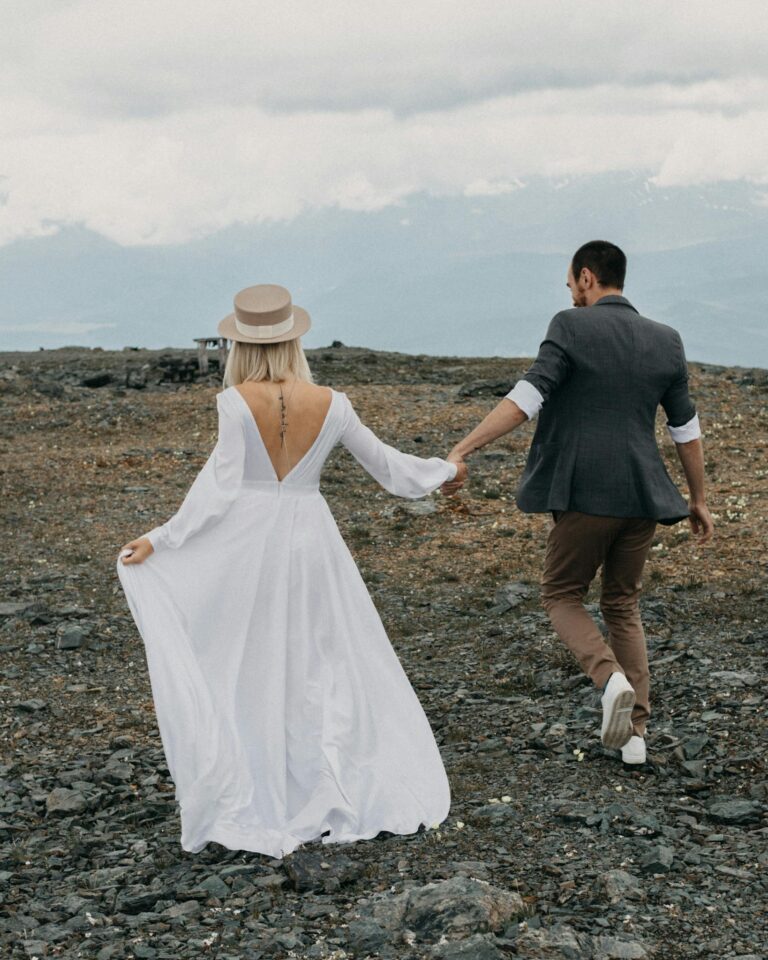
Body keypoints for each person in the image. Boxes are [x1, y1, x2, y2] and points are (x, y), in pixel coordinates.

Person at [116, 283, 462, 859]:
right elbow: (390, 470)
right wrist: (446, 471)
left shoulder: (234, 402)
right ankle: (327, 771)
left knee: (251, 659)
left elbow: (217, 490)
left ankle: (264, 777)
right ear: (293, 339)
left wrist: (162, 538)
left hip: (249, 544)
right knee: (323, 656)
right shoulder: (334, 403)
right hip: (311, 539)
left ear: (241, 344)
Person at [442, 241, 714, 766]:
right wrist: (698, 499)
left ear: (587, 277)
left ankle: (610, 680)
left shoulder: (570, 325)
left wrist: (463, 448)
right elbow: (685, 427)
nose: (569, 291)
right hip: (643, 495)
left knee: (561, 594)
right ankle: (635, 735)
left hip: (585, 493)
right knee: (622, 603)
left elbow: (527, 398)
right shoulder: (667, 339)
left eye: (570, 282)